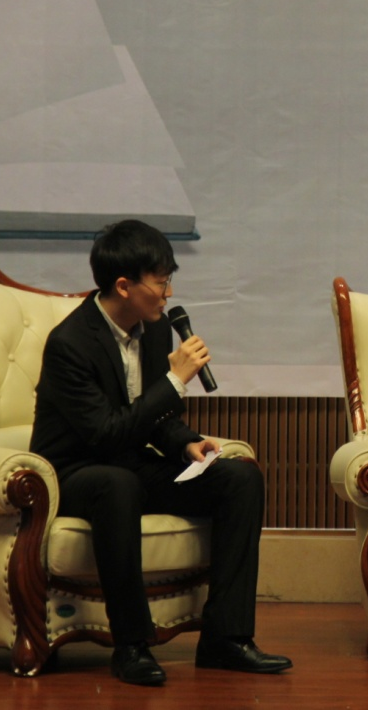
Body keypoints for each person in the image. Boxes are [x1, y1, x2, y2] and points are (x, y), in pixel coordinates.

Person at [30, 220, 291, 686]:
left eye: (169, 280)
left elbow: (154, 417)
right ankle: (131, 645)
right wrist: (174, 381)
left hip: (129, 466)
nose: (168, 294)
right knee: (117, 483)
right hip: (77, 472)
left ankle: (226, 639)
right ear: (124, 286)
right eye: (160, 282)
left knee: (240, 477)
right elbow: (105, 434)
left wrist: (186, 442)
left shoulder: (152, 331)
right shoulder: (70, 344)